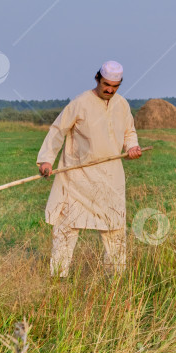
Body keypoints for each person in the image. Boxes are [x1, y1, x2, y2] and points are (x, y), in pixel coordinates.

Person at [36, 61, 142, 277]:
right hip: (77, 177)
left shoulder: (122, 105)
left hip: (111, 178)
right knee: (66, 227)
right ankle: (58, 278)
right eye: (106, 84)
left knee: (115, 229)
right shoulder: (80, 102)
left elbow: (129, 132)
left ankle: (115, 279)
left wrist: (132, 147)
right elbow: (58, 130)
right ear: (97, 79)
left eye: (115, 86)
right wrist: (46, 160)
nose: (110, 90)